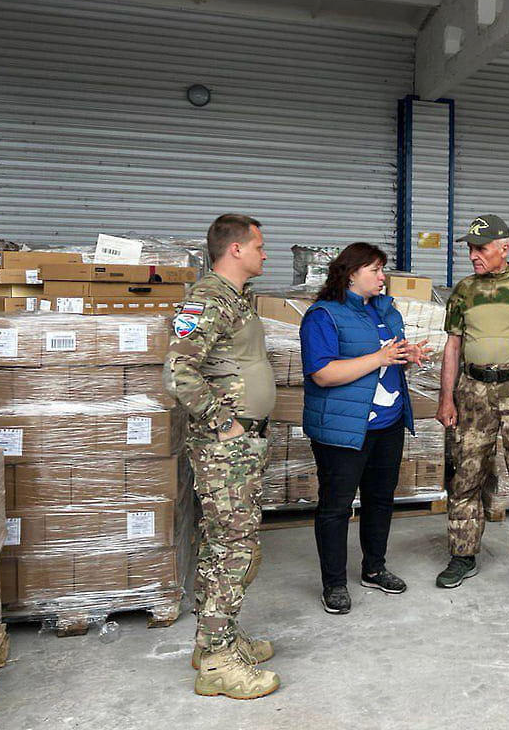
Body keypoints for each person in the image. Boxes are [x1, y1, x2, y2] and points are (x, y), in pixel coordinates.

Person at [164, 214, 281, 699]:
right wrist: (225, 424)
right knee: (232, 548)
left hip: (240, 444)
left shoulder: (234, 299)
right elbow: (178, 373)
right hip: (225, 447)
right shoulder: (207, 298)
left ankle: (218, 639)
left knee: (228, 544)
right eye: (259, 245)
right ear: (235, 249)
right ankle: (216, 660)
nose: (265, 253)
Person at [299, 243, 430, 614]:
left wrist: (407, 357)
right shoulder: (324, 316)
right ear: (352, 272)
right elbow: (323, 374)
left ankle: (374, 567)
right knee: (336, 507)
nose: (382, 277)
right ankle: (334, 583)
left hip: (387, 424)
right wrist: (380, 357)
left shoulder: (384, 311)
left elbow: (388, 359)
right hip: (343, 428)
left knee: (380, 499)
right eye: (374, 270)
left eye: (382, 270)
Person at [435, 214, 509, 592]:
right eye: (470, 248)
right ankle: (463, 554)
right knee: (466, 475)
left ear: (504, 248)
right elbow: (452, 348)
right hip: (473, 392)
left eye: (481, 248)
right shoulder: (463, 292)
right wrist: (446, 398)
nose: (473, 255)